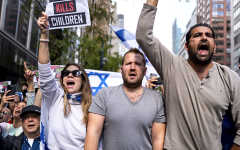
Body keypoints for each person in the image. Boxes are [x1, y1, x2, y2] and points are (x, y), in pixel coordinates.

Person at [135, 0, 240, 149]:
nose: (204, 38)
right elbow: (143, 36)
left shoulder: (229, 77)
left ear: (214, 47)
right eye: (197, 35)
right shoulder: (171, 66)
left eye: (209, 35)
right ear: (186, 46)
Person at [85, 48, 166, 150]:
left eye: (137, 64)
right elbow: (93, 133)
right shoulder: (104, 95)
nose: (132, 67)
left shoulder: (157, 99)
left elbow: (158, 139)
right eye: (128, 64)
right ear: (121, 69)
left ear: (144, 70)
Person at [37, 13, 93, 150]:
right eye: (66, 73)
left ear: (83, 80)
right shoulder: (55, 98)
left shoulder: (93, 108)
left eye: (75, 73)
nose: (70, 76)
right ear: (62, 80)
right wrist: (44, 35)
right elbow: (44, 72)